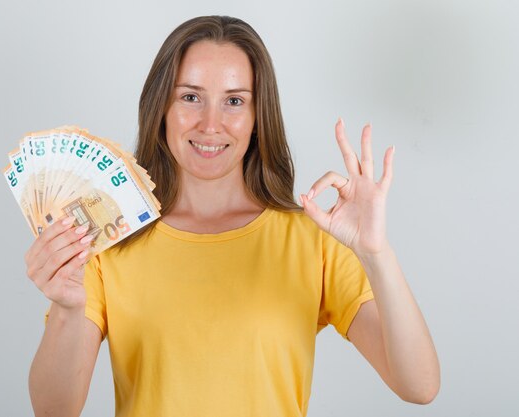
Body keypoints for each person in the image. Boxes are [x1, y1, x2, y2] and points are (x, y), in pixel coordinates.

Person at [25, 15, 440, 417]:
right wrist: (65, 308)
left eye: (234, 101)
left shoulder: (311, 238)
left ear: (259, 116)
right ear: (161, 109)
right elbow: (53, 411)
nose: (211, 124)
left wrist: (376, 252)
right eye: (190, 97)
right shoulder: (110, 239)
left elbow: (419, 386)